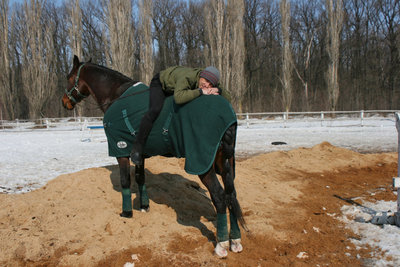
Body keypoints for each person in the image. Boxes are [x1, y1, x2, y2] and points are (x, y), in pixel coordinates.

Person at [130, 66, 231, 165]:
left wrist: (218, 90)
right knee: (155, 109)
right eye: (205, 81)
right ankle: (137, 148)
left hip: (177, 87)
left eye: (210, 84)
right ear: (201, 76)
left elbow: (228, 98)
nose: (207, 85)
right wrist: (200, 91)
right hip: (160, 83)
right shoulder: (188, 77)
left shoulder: (209, 81)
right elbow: (178, 98)